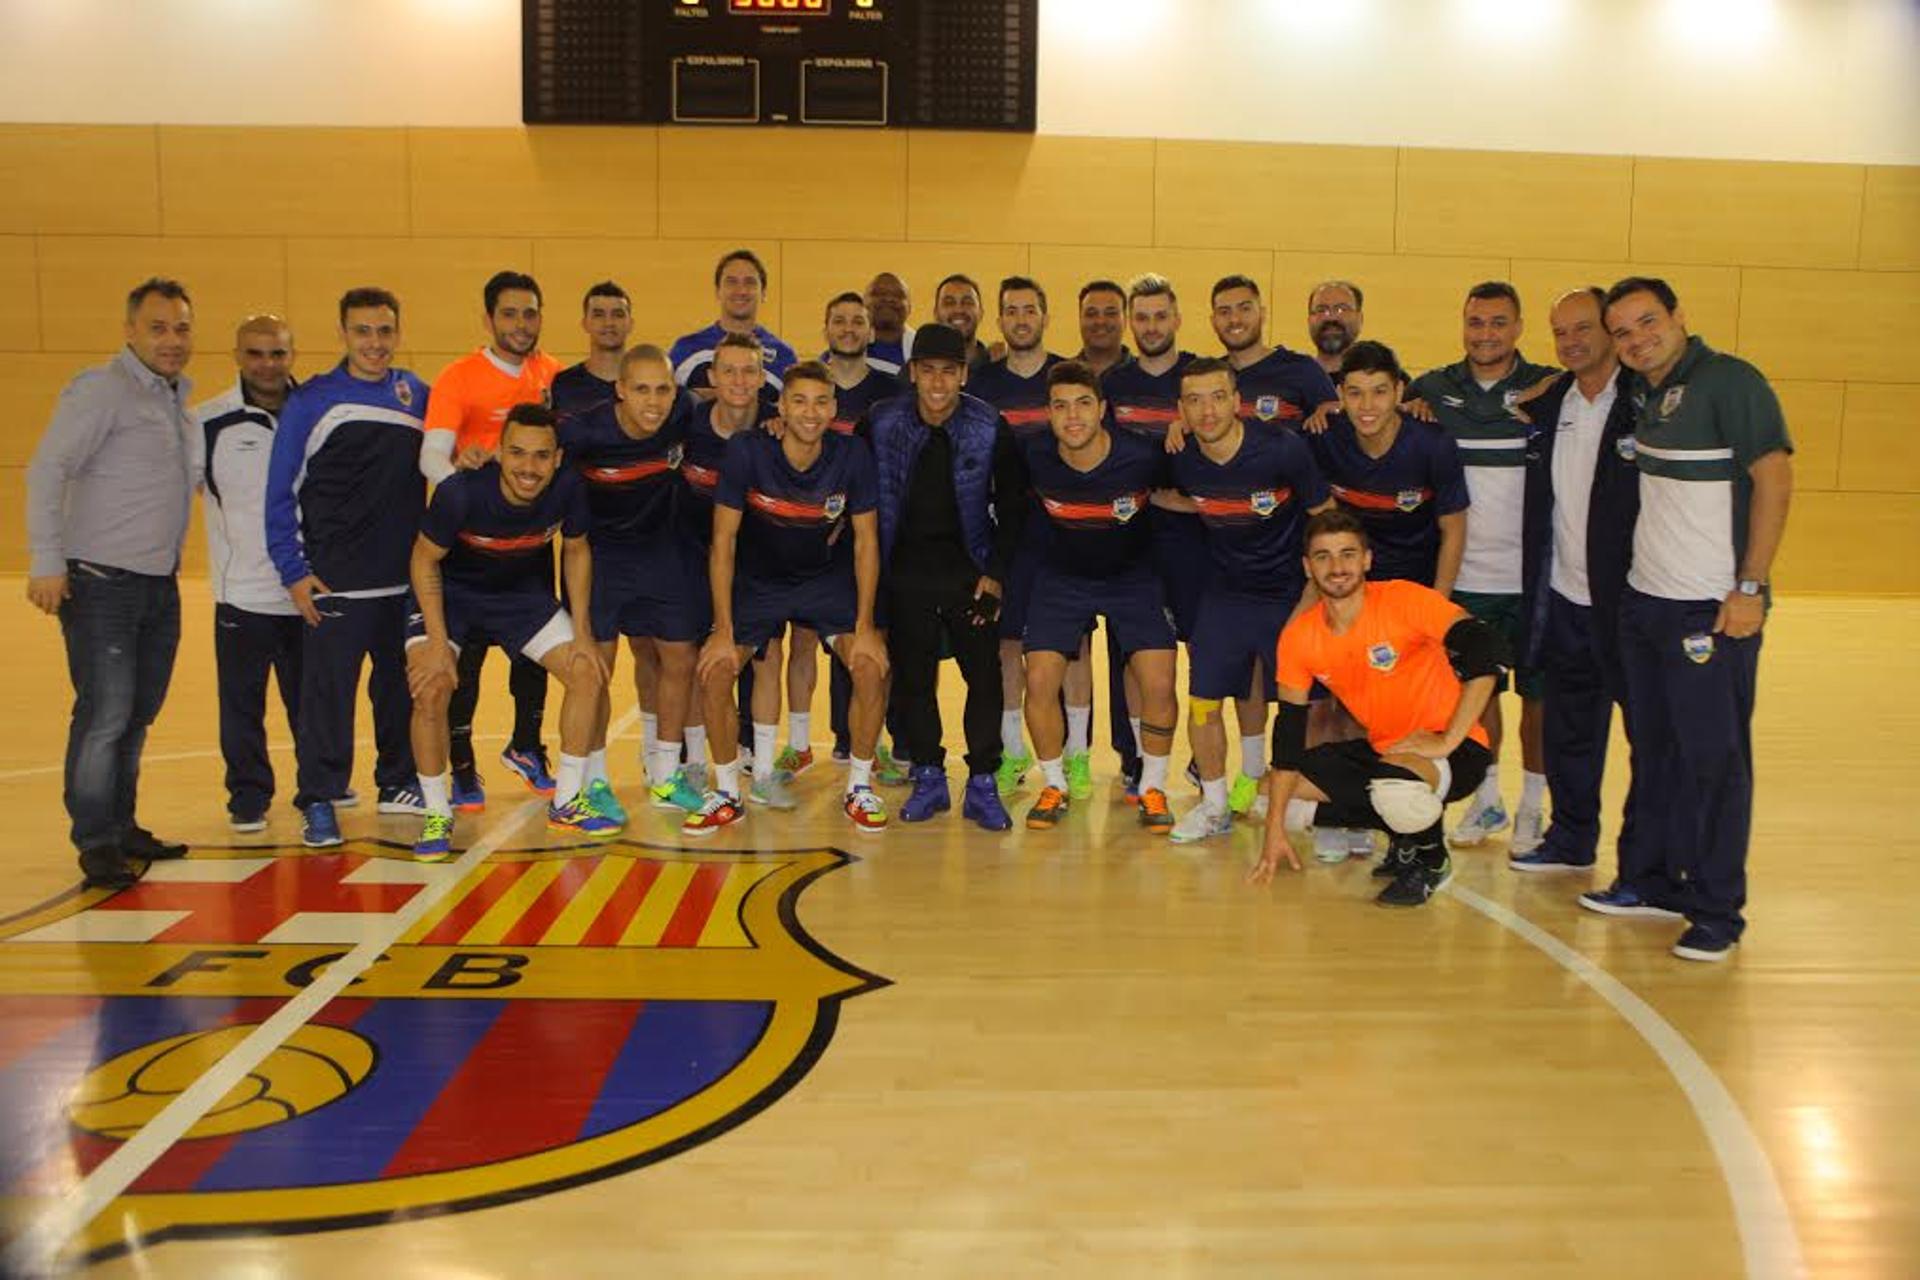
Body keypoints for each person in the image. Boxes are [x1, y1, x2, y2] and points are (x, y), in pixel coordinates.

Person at [1581, 276, 1792, 962]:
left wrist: (1750, 586)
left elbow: (1775, 478)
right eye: (1624, 332)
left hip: (1711, 609)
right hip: (1645, 604)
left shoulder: (1733, 382)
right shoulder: (1644, 392)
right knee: (1655, 749)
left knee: (1714, 761)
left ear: (1678, 317)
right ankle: (1648, 879)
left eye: (1648, 322)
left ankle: (1715, 911)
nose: (1638, 339)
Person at [25, 277, 197, 889]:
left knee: (137, 714)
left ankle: (122, 826)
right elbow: (48, 468)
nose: (171, 340)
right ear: (130, 331)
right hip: (101, 584)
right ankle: (96, 842)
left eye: (181, 328)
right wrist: (46, 560)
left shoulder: (177, 402)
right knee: (105, 714)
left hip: (157, 584)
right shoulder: (103, 392)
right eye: (158, 327)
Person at [1250, 511, 1508, 907]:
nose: (1337, 567)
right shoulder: (1299, 637)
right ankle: (1405, 836)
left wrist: (1448, 739)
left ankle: (1430, 859)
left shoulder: (1404, 599)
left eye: (1348, 554)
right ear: (1307, 566)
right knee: (1271, 799)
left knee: (1397, 791)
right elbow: (1288, 739)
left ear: (1367, 560)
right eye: (1323, 556)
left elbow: (1485, 648)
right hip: (1385, 748)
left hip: (1455, 748)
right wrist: (1273, 835)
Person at [686, 362, 892, 834]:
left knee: (871, 666)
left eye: (821, 401)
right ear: (780, 405)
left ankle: (859, 786)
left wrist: (864, 627)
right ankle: (725, 792)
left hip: (826, 579)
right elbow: (724, 543)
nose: (810, 411)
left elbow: (865, 542)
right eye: (799, 400)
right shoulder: (746, 451)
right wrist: (722, 631)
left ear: (834, 409)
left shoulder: (853, 454)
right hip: (759, 582)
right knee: (715, 672)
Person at [404, 404, 615, 860]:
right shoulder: (460, 493)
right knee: (431, 687)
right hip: (453, 597)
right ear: (499, 452)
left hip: (520, 599)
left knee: (587, 672)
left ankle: (567, 800)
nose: (528, 467)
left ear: (557, 459)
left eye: (541, 456)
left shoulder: (568, 487)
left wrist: (582, 632)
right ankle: (437, 812)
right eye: (517, 453)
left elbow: (576, 551)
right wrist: (438, 645)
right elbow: (423, 560)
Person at [264, 286, 428, 848]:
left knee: (396, 691)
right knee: (326, 698)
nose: (375, 343)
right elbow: (280, 490)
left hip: (401, 581)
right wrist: (292, 569)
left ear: (397, 332)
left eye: (385, 331)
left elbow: (456, 444)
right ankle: (319, 797)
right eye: (363, 331)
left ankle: (398, 781)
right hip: (335, 583)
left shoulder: (415, 394)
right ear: (343, 334)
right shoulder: (313, 402)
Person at [1408, 282, 1559, 851]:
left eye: (1498, 323)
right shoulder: (1434, 389)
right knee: (1480, 695)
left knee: (1539, 701)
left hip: (1536, 582)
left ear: (1518, 327)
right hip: (1468, 580)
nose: (1486, 334)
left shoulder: (1551, 388)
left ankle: (1534, 806)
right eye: (1476, 323)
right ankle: (1489, 798)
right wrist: (1410, 409)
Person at [1164, 357, 1333, 843]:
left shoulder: (1283, 449)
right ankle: (1214, 807)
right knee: (1202, 702)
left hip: (1288, 594)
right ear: (1181, 410)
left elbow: (1325, 516)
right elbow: (1168, 494)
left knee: (1312, 708)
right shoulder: (1181, 457)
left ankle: (1320, 807)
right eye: (1193, 401)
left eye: (1217, 397)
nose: (1207, 410)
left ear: (1236, 400)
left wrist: (1313, 596)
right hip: (1225, 593)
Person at [1017, 361, 1179, 833]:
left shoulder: (1143, 456)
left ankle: (1152, 786)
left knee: (1160, 683)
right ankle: (1054, 783)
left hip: (1133, 577)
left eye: (1084, 404)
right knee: (1041, 680)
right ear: (1048, 413)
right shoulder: (1033, 455)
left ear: (1103, 409)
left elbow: (1183, 493)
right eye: (1061, 406)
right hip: (1062, 577)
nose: (1073, 416)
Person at [870, 323, 1021, 831]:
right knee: (913, 680)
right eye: (928, 370)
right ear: (913, 373)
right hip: (905, 574)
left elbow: (1016, 505)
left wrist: (995, 575)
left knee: (984, 678)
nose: (937, 382)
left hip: (969, 575)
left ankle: (983, 781)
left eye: (949, 371)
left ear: (963, 375)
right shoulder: (881, 421)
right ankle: (929, 775)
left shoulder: (988, 424)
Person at [420, 271, 563, 808]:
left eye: (530, 314)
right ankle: (461, 766)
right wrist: (459, 469)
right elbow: (429, 455)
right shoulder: (459, 378)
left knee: (535, 651)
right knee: (470, 658)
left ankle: (527, 744)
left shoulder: (551, 374)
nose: (521, 324)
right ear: (488, 319)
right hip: (470, 544)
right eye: (510, 314)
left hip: (529, 542)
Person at [1512, 288, 1642, 874]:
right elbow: (1520, 402)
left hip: (1634, 604)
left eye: (1582, 329)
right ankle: (1570, 840)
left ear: (1611, 333)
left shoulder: (1646, 402)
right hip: (1564, 596)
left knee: (1650, 739)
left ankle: (1648, 865)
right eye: (1560, 332)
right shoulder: (1553, 401)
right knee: (1569, 730)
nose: (1570, 342)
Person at [1205, 273, 1339, 805]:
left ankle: (1309, 785)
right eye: (1224, 310)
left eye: (1243, 308)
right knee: (1243, 677)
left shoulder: (1300, 372)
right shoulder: (1207, 379)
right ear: (1212, 318)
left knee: (1305, 681)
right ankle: (1251, 775)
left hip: (1290, 558)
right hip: (1227, 556)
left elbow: (1332, 426)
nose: (1234, 318)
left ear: (1261, 311)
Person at [562, 343, 706, 819]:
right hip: (602, 559)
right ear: (619, 390)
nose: (653, 401)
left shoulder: (683, 411)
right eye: (641, 389)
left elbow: (731, 410)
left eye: (663, 389)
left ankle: (665, 774)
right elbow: (529, 455)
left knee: (680, 657)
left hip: (665, 553)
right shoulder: (583, 433)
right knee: (596, 670)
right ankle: (595, 778)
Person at [970, 276, 1090, 798]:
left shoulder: (1065, 376)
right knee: (1008, 646)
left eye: (1029, 310)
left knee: (1074, 648)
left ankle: (1079, 755)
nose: (1021, 319)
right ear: (1000, 321)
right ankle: (1013, 748)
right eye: (1011, 310)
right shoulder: (983, 382)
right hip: (1004, 534)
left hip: (1062, 534)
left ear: (1045, 317)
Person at [193, 314, 305, 832]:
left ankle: (318, 788)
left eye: (277, 353)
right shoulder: (206, 422)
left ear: (292, 356)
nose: (267, 364)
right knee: (242, 706)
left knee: (313, 702)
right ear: (238, 357)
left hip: (307, 592)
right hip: (241, 595)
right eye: (256, 354)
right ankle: (248, 796)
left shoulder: (314, 414)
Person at [799, 292, 902, 769]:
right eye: (838, 320)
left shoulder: (890, 388)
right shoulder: (808, 385)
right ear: (825, 327)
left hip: (868, 529)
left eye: (857, 321)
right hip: (813, 535)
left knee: (867, 635)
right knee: (806, 638)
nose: (848, 328)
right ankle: (811, 739)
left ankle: (864, 737)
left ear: (868, 330)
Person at [1102, 273, 1195, 797]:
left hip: (1195, 537)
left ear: (1177, 319)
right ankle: (1134, 755)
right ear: (1130, 324)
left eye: (1161, 316)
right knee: (1131, 653)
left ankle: (1210, 762)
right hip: (1132, 538)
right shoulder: (1114, 384)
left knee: (1202, 650)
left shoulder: (1202, 377)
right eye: (1143, 317)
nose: (1152, 326)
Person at [678, 332, 780, 783]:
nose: (739, 380)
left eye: (749, 370)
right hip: (694, 559)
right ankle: (698, 759)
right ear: (712, 377)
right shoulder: (687, 424)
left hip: (758, 562)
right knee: (704, 658)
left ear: (761, 377)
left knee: (765, 656)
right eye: (730, 370)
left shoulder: (778, 427)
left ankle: (762, 761)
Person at [669, 248, 795, 397]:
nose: (741, 290)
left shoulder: (784, 356)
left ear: (764, 293)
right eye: (731, 282)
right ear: (717, 291)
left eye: (750, 282)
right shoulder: (685, 349)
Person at [550, 280, 633, 420]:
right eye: (598, 315)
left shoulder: (645, 384)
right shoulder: (564, 384)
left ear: (630, 324)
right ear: (585, 324)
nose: (609, 323)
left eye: (618, 315)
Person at [932, 273, 994, 372]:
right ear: (936, 313)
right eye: (949, 303)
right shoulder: (919, 371)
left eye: (967, 302)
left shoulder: (998, 367)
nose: (959, 310)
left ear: (981, 313)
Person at [1306, 280, 1364, 379]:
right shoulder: (1292, 381)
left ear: (1360, 318)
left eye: (1341, 309)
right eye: (1322, 310)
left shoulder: (1378, 381)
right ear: (1309, 320)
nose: (1331, 317)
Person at [1074, 279, 1129, 376]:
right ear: (1080, 319)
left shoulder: (1145, 376)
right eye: (1091, 314)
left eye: (1110, 313)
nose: (1100, 321)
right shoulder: (1061, 376)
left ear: (1125, 320)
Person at [864, 271, 915, 374]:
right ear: (864, 304)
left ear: (909, 307)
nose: (888, 299)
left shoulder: (924, 349)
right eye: (878, 293)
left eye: (898, 295)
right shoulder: (842, 355)